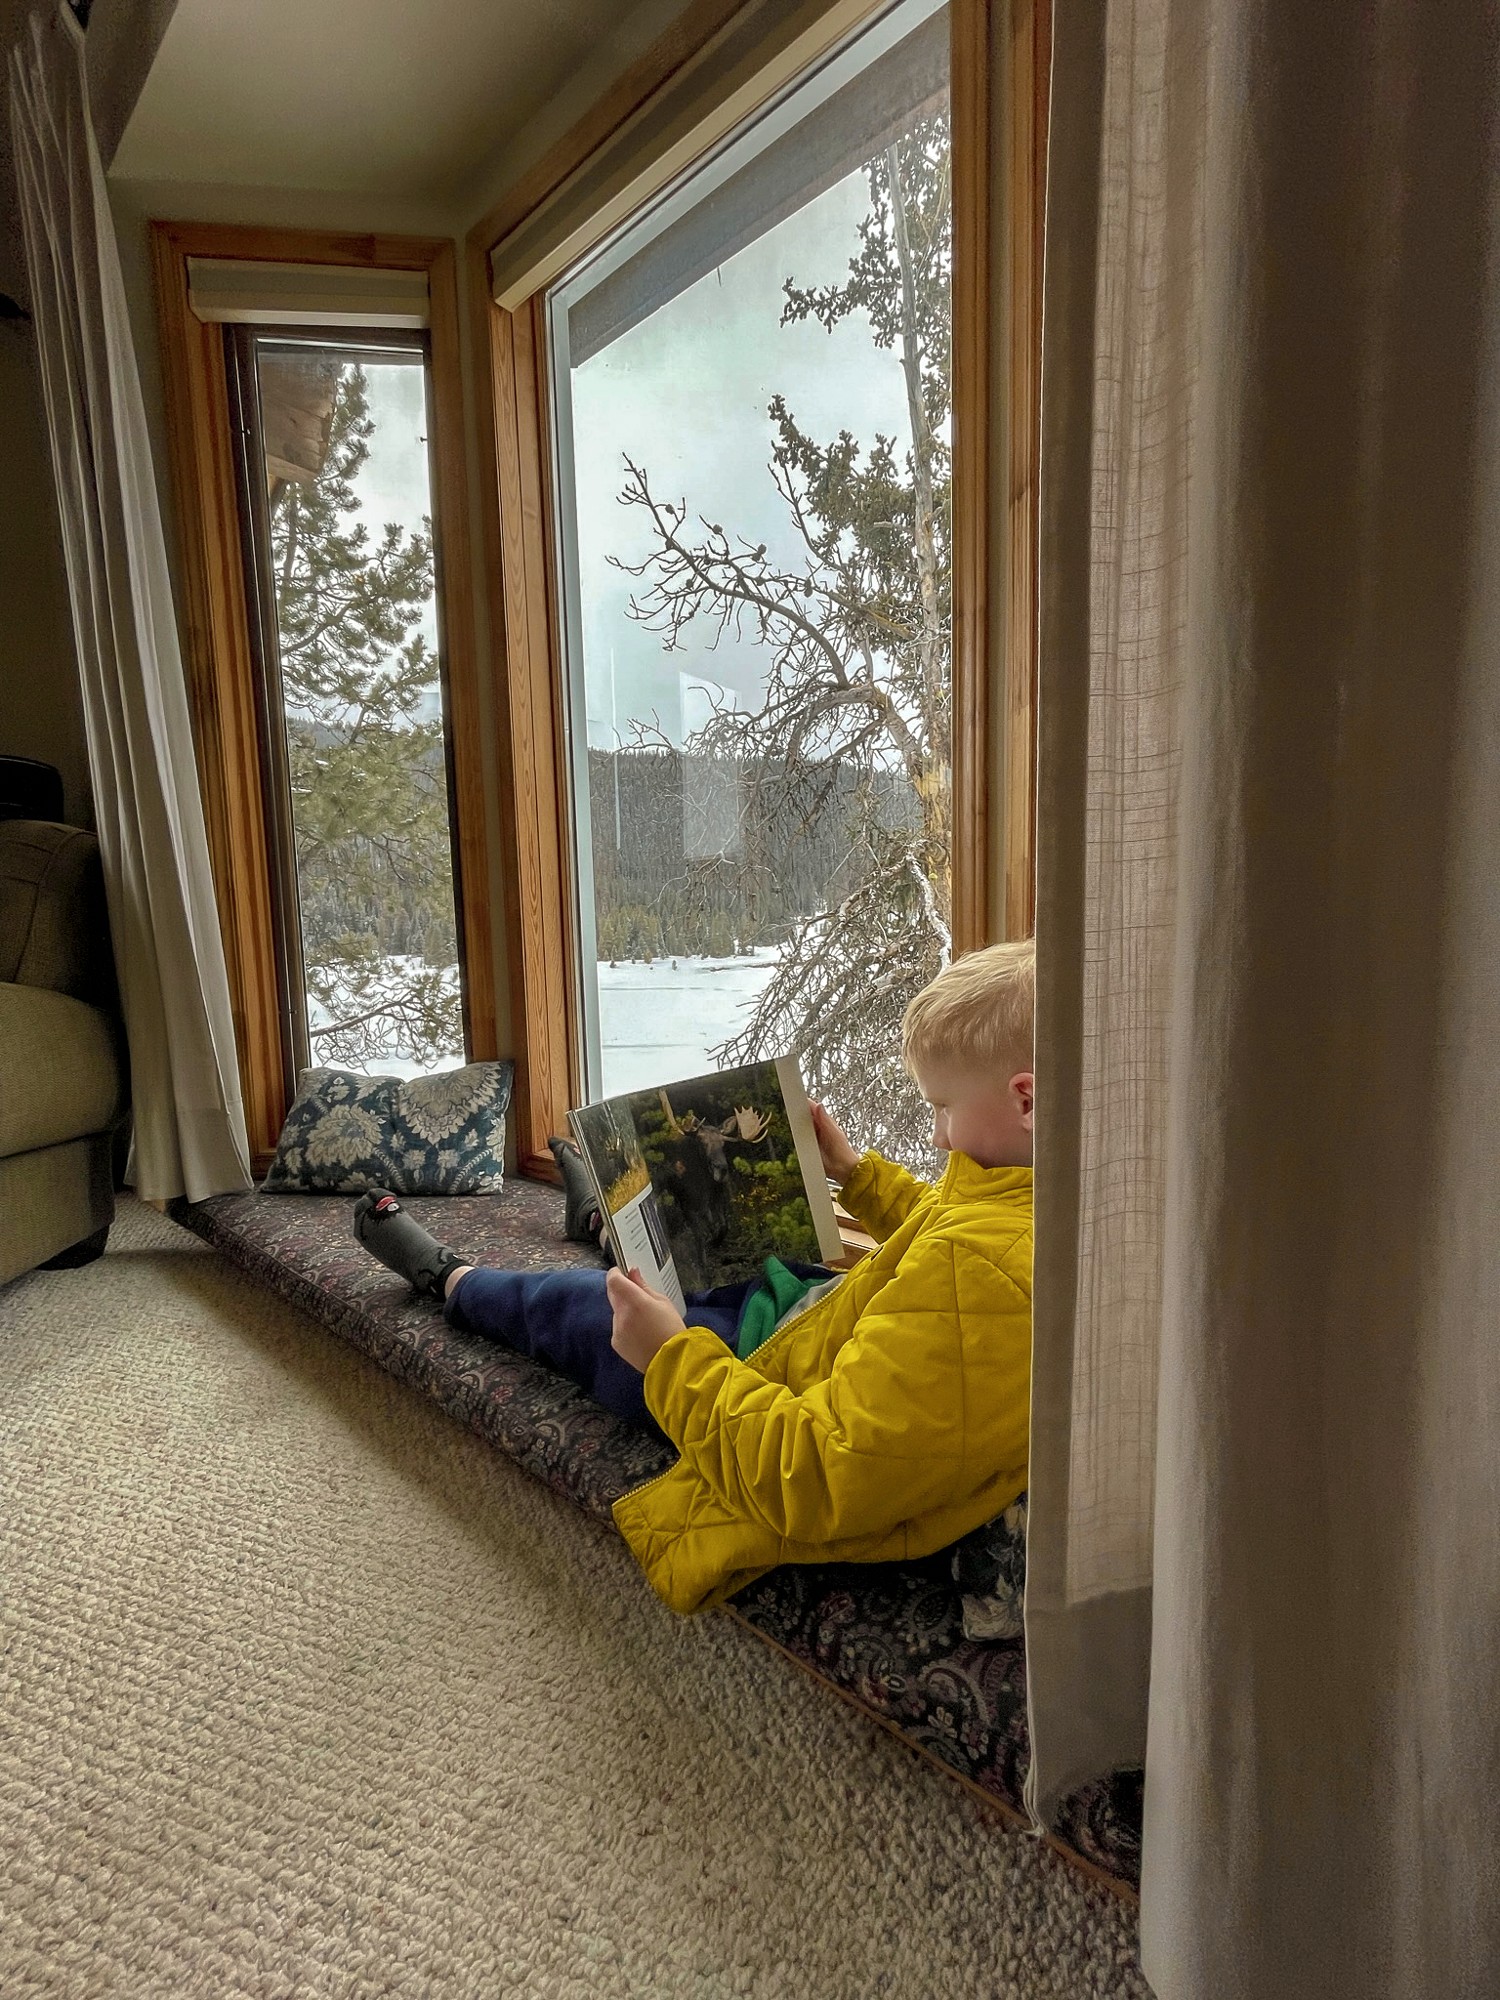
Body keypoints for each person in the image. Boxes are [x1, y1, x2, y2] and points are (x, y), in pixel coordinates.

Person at [353, 939, 1035, 1615]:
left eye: (943, 1108)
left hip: (750, 1374)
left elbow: (817, 1474)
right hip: (819, 1316)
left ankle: (451, 1279)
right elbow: (945, 1227)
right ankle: (602, 1220)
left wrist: (668, 1357)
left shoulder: (979, 1273)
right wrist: (855, 1173)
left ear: (1025, 1099)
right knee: (694, 1245)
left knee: (576, 1304)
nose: (940, 1138)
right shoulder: (1036, 1200)